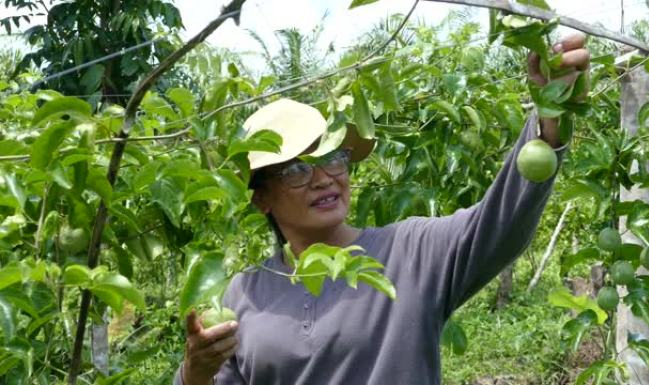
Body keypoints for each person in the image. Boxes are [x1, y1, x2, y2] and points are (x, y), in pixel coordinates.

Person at [175, 33, 591, 385]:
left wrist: (548, 116)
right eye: (297, 169)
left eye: (333, 157)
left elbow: (500, 222)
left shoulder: (411, 252)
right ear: (260, 197)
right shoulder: (244, 292)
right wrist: (194, 372)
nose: (324, 178)